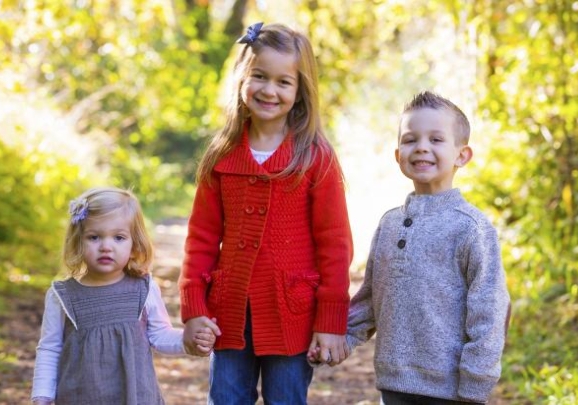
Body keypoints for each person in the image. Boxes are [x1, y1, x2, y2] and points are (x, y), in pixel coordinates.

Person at [178, 22, 354, 404]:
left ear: (300, 90)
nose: (269, 90)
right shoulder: (222, 154)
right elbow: (201, 239)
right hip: (228, 312)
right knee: (226, 398)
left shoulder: (314, 157)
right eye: (259, 76)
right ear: (242, 78)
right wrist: (194, 308)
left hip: (292, 315)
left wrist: (330, 321)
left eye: (283, 82)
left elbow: (335, 244)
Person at [314, 91, 511, 404]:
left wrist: (476, 382)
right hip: (393, 383)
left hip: (450, 390)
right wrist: (341, 338)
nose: (421, 147)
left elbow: (490, 309)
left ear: (462, 155)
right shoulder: (390, 223)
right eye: (410, 139)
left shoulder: (470, 228)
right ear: (398, 155)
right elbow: (371, 297)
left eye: (436, 139)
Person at [31, 187, 219, 405]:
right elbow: (50, 348)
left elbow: (159, 335)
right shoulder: (62, 296)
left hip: (137, 397)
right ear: (78, 241)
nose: (106, 247)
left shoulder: (143, 289)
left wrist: (188, 340)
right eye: (94, 237)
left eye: (118, 238)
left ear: (134, 244)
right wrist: (42, 396)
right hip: (79, 398)